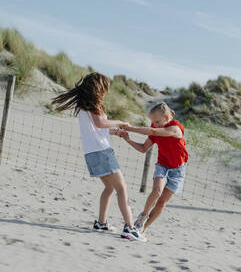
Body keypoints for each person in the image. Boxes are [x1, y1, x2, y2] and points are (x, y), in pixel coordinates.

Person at [51, 72, 146, 241]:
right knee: (122, 188)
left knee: (109, 188)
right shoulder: (93, 105)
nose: (106, 93)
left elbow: (96, 129)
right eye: (105, 89)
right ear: (99, 89)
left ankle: (101, 223)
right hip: (102, 152)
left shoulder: (83, 106)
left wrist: (115, 132)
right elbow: (100, 123)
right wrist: (120, 122)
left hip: (91, 153)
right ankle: (130, 228)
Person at [120, 102, 188, 233]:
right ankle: (142, 217)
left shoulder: (175, 128)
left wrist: (130, 128)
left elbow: (153, 130)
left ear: (167, 118)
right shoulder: (155, 129)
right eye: (152, 121)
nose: (154, 124)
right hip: (162, 166)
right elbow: (144, 148)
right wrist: (127, 139)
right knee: (157, 191)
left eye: (157, 121)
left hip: (178, 171)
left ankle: (141, 229)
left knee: (162, 202)